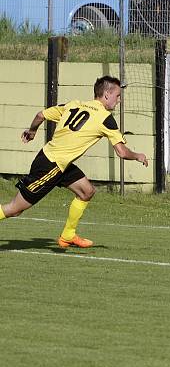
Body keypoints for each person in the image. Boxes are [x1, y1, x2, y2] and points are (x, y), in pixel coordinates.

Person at [0, 76, 148, 248]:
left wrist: (32, 130)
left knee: (87, 191)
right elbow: (122, 152)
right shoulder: (105, 118)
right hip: (52, 166)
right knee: (14, 209)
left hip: (56, 161)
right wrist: (138, 155)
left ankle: (67, 235)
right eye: (118, 96)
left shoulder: (73, 104)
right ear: (107, 95)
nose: (119, 100)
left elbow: (40, 115)